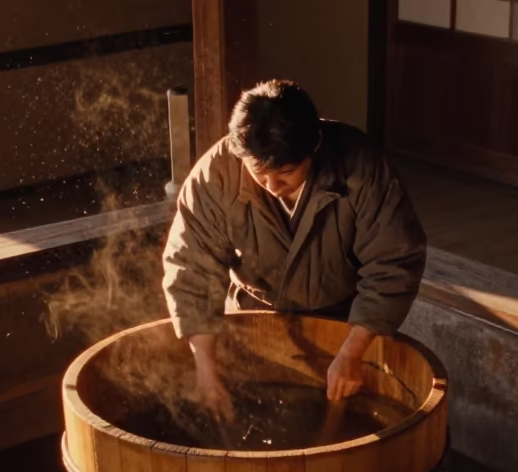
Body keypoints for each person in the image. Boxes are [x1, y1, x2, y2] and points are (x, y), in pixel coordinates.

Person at [162, 79, 428, 419]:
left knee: (348, 422)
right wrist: (206, 373)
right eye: (259, 173)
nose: (272, 186)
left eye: (286, 173)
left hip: (342, 317)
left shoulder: (361, 168)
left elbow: (393, 263)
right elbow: (191, 269)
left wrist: (351, 353)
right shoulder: (215, 175)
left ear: (314, 145)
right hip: (250, 317)